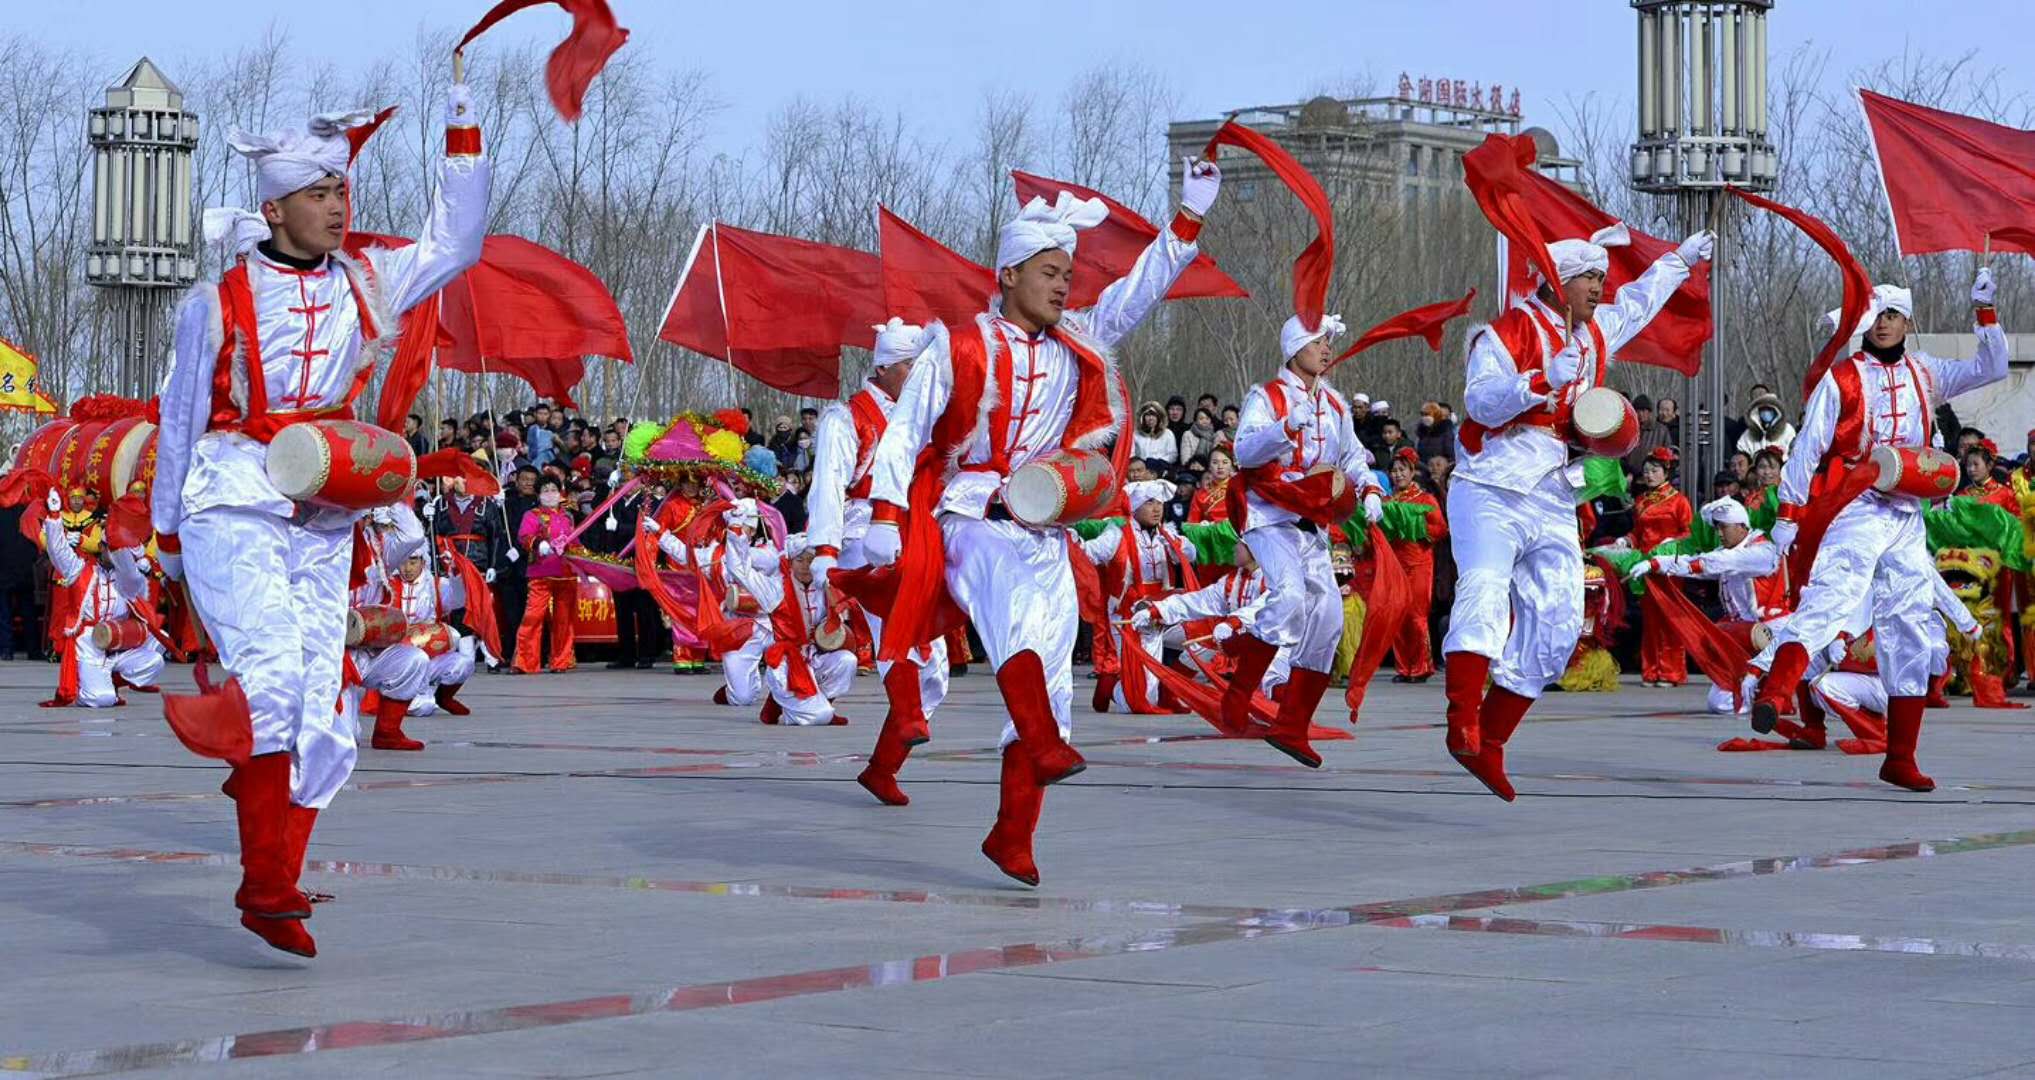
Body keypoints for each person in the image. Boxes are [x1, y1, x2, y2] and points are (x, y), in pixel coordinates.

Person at [149, 85, 488, 957]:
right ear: (274, 208)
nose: (337, 207)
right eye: (317, 194)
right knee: (270, 676)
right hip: (232, 496)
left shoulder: (369, 283)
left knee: (323, 709)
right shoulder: (214, 301)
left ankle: (273, 873)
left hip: (328, 508)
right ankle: (263, 877)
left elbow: (457, 242)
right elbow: (181, 420)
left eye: (340, 191)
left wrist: (461, 127)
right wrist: (169, 539)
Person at [862, 161, 1223, 886]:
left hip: (1047, 526)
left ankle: (1012, 834)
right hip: (973, 518)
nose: (1063, 286)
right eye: (1050, 273)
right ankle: (1040, 743)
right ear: (1009, 275)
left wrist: (1186, 220)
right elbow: (904, 433)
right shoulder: (959, 346)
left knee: (1055, 683)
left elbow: (1135, 295)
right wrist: (884, 514)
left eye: (1068, 275)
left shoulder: (1077, 340)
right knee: (1014, 627)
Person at [1441, 222, 1713, 800]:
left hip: (1551, 491)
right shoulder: (1506, 331)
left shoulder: (1594, 333)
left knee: (1561, 619)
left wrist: (1679, 260)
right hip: (1491, 485)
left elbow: (1638, 303)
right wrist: (1540, 380)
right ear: (1559, 279)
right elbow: (1480, 403)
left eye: (1600, 277)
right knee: (1485, 589)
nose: (1599, 287)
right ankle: (1461, 719)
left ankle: (1491, 740)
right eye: (1589, 277)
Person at [1747, 274, 2008, 791]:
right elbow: (1809, 446)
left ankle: (1900, 756)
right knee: (1832, 599)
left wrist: (1985, 311)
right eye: (1876, 315)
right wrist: (1787, 515)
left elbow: (1992, 367)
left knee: (1909, 626)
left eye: (1893, 315)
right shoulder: (1843, 378)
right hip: (1856, 505)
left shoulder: (1925, 372)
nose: (1884, 324)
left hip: (1907, 514)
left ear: (1907, 321)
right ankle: (1776, 692)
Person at [1228, 311, 1384, 767]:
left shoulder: (1334, 404)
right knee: (1290, 596)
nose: (1326, 349)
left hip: (1312, 521)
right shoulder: (1267, 396)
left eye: (1328, 342)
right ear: (1294, 347)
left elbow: (1351, 456)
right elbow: (1243, 451)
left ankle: (1292, 726)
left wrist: (1370, 488)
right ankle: (1239, 691)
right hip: (1270, 514)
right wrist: (1284, 428)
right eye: (1318, 341)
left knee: (1329, 617)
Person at [807, 318, 949, 806]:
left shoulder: (928, 417)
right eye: (910, 366)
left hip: (919, 534)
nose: (919, 375)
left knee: (935, 671)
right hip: (864, 532)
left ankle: (882, 767)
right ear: (885, 367)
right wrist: (825, 551)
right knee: (898, 628)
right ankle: (904, 713)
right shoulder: (847, 418)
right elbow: (828, 484)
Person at [1626, 497, 1785, 713]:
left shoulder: (1762, 551)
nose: (1719, 533)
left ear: (1741, 526)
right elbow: (1700, 562)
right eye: (1717, 528)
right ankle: (1762, 692)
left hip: (1771, 633)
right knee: (1720, 703)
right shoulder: (1727, 551)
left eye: (1724, 527)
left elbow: (1716, 562)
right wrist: (1656, 564)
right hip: (1740, 635)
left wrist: (1662, 564)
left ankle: (1773, 691)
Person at [40, 502, 165, 707]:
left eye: (120, 550)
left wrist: (141, 563)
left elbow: (143, 598)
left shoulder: (127, 576)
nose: (116, 554)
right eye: (111, 549)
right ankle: (88, 685)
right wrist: (54, 517)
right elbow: (58, 551)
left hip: (119, 643)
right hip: (91, 644)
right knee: (102, 699)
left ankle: (111, 678)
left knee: (155, 660)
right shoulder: (79, 570)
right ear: (101, 548)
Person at [1095, 479, 1199, 712]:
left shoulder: (1167, 533)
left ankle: (1169, 689)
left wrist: (1175, 546)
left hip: (1163, 609)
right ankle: (1113, 686)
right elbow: (1093, 553)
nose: (1157, 508)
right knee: (1140, 701)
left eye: (1160, 503)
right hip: (1129, 614)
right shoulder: (1118, 534)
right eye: (1150, 502)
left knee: (1206, 635)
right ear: (1135, 507)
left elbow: (1192, 554)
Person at [1626, 447, 1693, 687]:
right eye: (1646, 471)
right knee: (1651, 619)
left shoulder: (1679, 501)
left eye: (1655, 470)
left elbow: (1689, 534)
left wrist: (1670, 543)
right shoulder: (1641, 501)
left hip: (1668, 566)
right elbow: (1637, 533)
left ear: (1666, 472)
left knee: (1670, 619)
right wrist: (1626, 541)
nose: (1649, 475)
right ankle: (1651, 669)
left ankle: (1671, 672)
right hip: (1646, 566)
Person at [1385, 448, 1446, 682]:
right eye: (1394, 471)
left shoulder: (1425, 499)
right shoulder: (1387, 502)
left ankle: (1421, 666)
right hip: (1395, 565)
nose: (1398, 474)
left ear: (1412, 472)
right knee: (1398, 616)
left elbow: (1440, 529)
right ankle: (1404, 668)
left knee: (1416, 616)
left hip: (1419, 564)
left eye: (1402, 470)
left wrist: (1418, 527)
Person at [590, 476, 663, 669]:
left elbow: (647, 529)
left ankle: (647, 654)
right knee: (623, 610)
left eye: (629, 481)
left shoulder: (649, 502)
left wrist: (620, 528)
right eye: (622, 482)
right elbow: (596, 509)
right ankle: (626, 655)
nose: (626, 485)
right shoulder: (614, 500)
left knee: (645, 610)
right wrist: (607, 485)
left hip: (640, 562)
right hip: (618, 563)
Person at [513, 478, 578, 674]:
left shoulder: (568, 516)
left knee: (563, 619)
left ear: (560, 492)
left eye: (553, 489)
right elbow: (524, 536)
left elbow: (576, 541)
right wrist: (537, 543)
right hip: (540, 573)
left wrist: (583, 557)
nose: (550, 493)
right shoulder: (532, 515)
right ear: (539, 494)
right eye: (545, 490)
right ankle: (525, 661)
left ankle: (561, 660)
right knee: (532, 616)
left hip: (566, 573)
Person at [1736, 390, 1796, 456]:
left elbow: (1793, 452)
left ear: (1776, 411)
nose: (1765, 412)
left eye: (1769, 409)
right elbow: (1742, 451)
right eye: (1763, 409)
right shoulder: (1749, 434)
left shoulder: (1787, 430)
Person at [1188, 445, 1236, 523]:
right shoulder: (1200, 494)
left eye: (1225, 462)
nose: (1220, 467)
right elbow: (1193, 523)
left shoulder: (1239, 489)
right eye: (1215, 462)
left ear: (1231, 465)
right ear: (1209, 467)